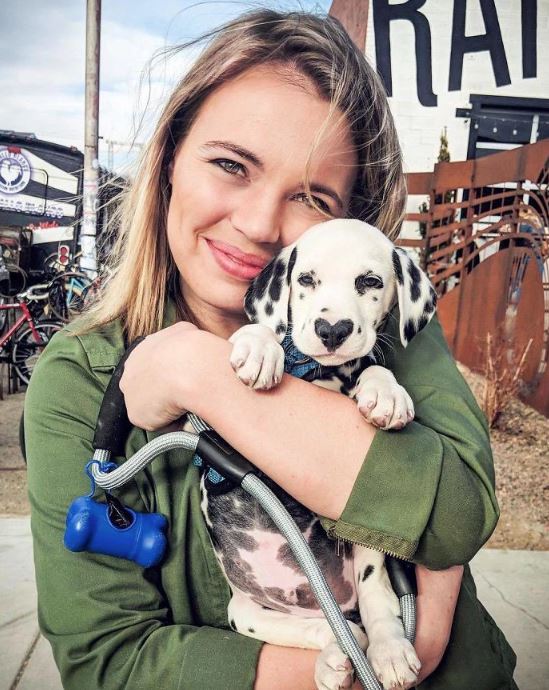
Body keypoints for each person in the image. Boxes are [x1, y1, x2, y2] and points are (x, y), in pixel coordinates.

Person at [25, 9, 517, 690]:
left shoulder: (384, 324)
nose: (258, 225)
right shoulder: (80, 381)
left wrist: (200, 375)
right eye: (231, 164)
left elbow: (460, 517)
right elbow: (107, 660)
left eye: (312, 197)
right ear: (169, 158)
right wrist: (374, 658)